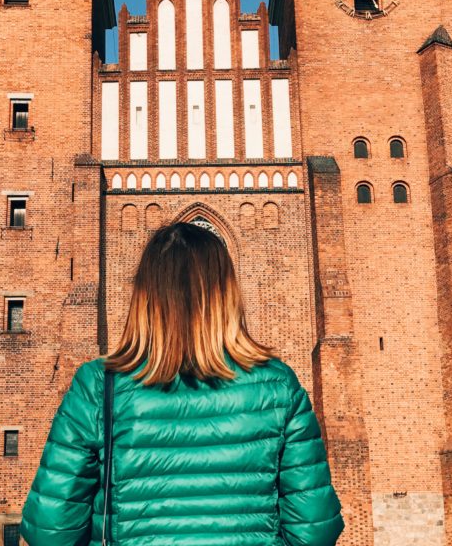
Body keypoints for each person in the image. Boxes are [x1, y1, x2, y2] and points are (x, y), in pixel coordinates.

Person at [20, 221, 343, 546]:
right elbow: (314, 530)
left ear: (145, 294)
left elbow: (50, 530)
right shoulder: (279, 385)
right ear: (225, 292)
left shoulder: (98, 385)